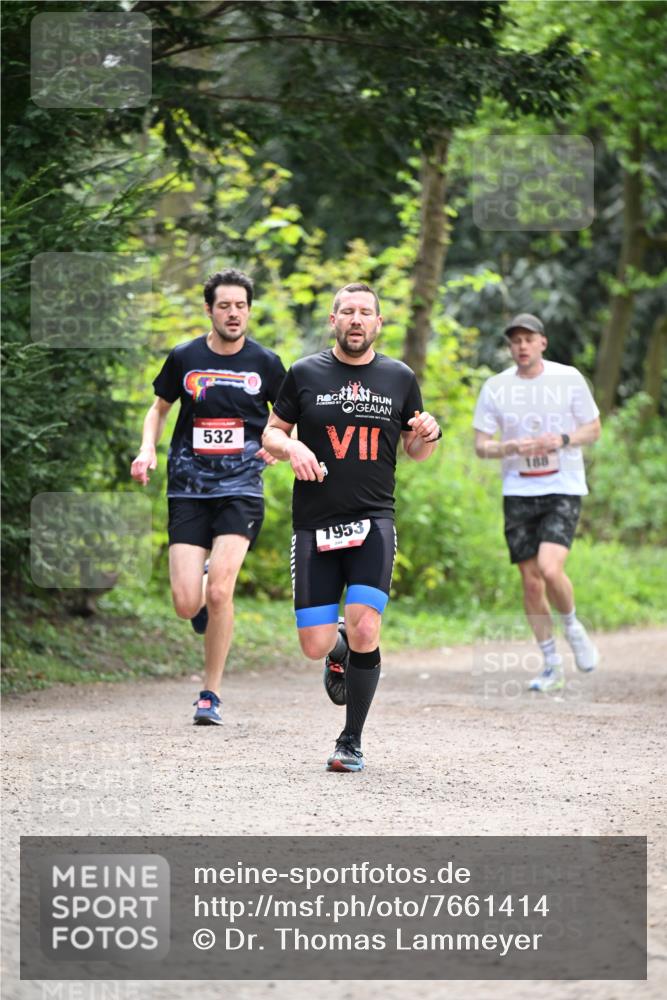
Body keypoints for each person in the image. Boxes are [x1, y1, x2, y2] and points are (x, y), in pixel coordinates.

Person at [262, 282, 441, 772]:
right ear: (333, 320)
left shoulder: (399, 377)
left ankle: (350, 741)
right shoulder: (304, 373)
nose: (356, 320)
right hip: (315, 525)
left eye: (365, 312)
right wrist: (292, 446)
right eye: (347, 312)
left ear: (379, 323)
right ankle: (336, 647)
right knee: (313, 644)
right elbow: (271, 433)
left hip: (374, 521)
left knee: (367, 624)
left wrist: (430, 434)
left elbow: (415, 447)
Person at [131, 268, 286, 724]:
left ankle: (210, 694)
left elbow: (287, 417)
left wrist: (279, 443)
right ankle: (197, 582)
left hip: (241, 487)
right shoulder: (185, 356)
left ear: (249, 310)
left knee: (220, 591)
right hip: (188, 487)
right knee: (186, 603)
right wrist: (147, 448)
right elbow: (157, 411)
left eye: (240, 306)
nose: (233, 313)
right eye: (224, 306)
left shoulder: (267, 363)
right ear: (209, 310)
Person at [473, 313, 601, 692]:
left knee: (549, 568)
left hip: (563, 485)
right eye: (515, 341)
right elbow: (481, 445)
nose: (522, 346)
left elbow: (593, 428)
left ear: (542, 342)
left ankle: (573, 626)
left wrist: (561, 440)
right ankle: (550, 663)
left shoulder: (568, 378)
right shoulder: (495, 387)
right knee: (530, 583)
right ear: (510, 348)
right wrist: (509, 446)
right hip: (518, 490)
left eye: (528, 339)